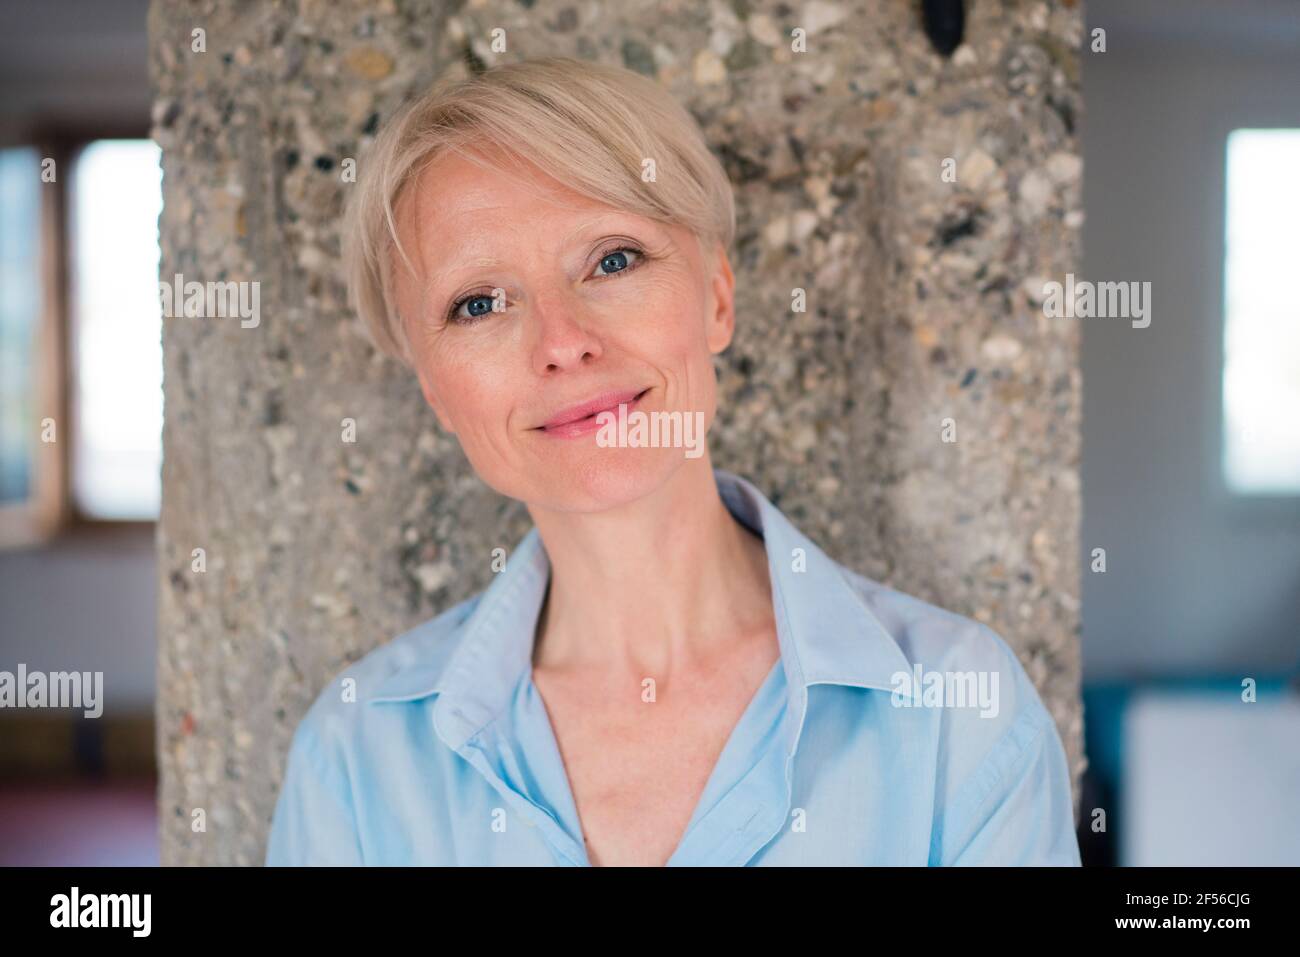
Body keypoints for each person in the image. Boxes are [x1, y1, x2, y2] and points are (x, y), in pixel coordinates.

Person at [265, 56, 1082, 866]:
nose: (563, 342)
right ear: (436, 392)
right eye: (478, 304)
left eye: (612, 259)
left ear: (717, 295)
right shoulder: (354, 758)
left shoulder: (959, 716)